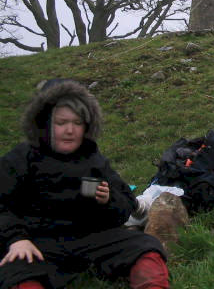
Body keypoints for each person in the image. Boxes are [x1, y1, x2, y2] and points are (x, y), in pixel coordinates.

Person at [0, 79, 169, 289]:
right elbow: (2, 206)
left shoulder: (93, 158)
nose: (70, 130)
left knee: (146, 246)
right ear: (44, 123)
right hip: (38, 242)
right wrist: (16, 239)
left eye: (77, 122)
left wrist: (109, 200)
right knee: (15, 267)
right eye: (61, 123)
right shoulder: (20, 158)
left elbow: (125, 205)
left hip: (91, 239)